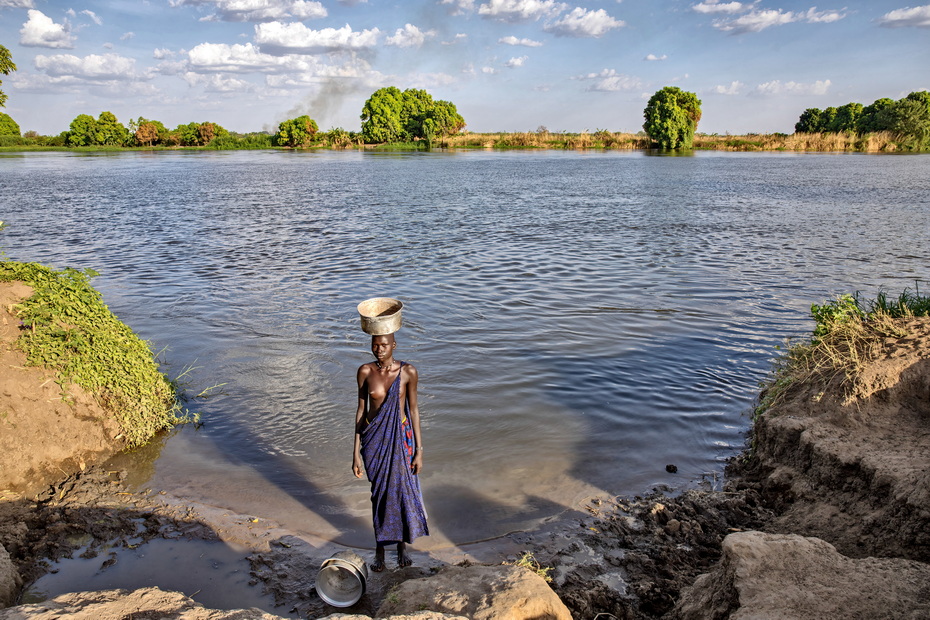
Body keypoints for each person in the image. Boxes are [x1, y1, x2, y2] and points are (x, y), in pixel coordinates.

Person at [353, 332, 428, 571]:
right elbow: (361, 410)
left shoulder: (408, 372)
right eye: (375, 345)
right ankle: (379, 550)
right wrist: (355, 452)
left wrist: (419, 450)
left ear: (394, 345)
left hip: (401, 438)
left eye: (384, 345)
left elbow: (413, 410)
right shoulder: (365, 371)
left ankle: (401, 546)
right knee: (379, 495)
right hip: (374, 440)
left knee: (401, 491)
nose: (379, 349)